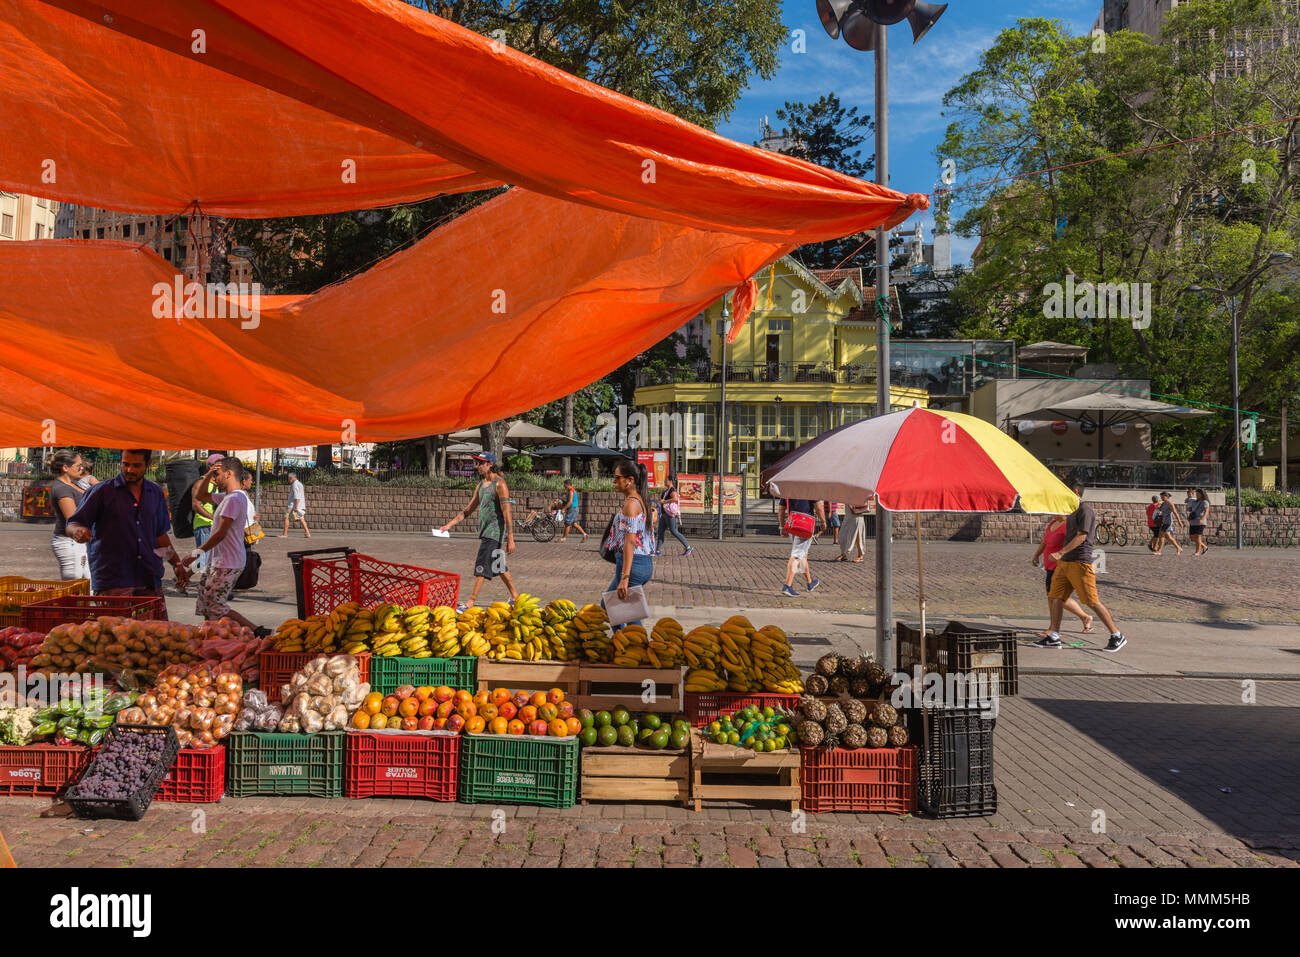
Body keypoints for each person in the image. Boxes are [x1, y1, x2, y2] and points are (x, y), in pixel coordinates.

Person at [65, 449, 188, 604]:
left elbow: (160, 535)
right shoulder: (101, 491)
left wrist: (176, 563)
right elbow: (72, 524)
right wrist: (77, 531)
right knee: (112, 628)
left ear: (148, 464)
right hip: (113, 580)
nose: (130, 470)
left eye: (136, 465)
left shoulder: (155, 493)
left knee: (153, 628)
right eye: (125, 464)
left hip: (148, 577)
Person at [1034, 484, 1127, 653]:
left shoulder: (1085, 510)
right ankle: (1054, 636)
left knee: (1091, 601)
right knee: (1055, 597)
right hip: (1065, 563)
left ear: (1075, 492)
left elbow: (1082, 536)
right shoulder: (1069, 511)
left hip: (1080, 561)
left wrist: (1060, 552)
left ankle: (1117, 635)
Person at [183, 458, 261, 630]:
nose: (214, 479)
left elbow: (220, 534)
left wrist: (196, 554)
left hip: (228, 562)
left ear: (229, 474)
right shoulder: (227, 496)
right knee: (206, 604)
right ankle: (212, 636)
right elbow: (200, 496)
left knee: (216, 607)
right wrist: (209, 473)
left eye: (217, 474)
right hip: (217, 561)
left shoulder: (234, 499)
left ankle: (257, 631)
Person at [438, 453, 518, 606]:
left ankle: (470, 602)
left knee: (482, 565)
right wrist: (449, 525)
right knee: (498, 566)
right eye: (477, 463)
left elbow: (507, 512)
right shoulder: (481, 485)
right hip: (485, 531)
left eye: (481, 463)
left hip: (494, 533)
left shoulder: (500, 485)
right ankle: (515, 595)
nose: (477, 466)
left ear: (490, 464)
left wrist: (511, 538)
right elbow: (468, 510)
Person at [601, 459, 655, 624]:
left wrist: (624, 578)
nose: (614, 481)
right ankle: (625, 644)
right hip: (642, 563)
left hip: (633, 565)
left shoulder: (631, 505)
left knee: (619, 610)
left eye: (617, 477)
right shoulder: (640, 500)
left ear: (629, 480)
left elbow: (630, 542)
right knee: (617, 608)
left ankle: (631, 646)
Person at [1031, 514, 1093, 636]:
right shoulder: (1052, 523)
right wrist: (1037, 554)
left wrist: (1061, 554)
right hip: (1049, 566)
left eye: (1055, 510)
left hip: (1060, 566)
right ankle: (1084, 617)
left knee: (1054, 598)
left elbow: (1077, 541)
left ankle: (1052, 628)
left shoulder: (1068, 526)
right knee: (1056, 597)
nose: (1051, 513)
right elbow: (1045, 541)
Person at [47, 449, 91, 580]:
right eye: (78, 466)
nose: (82, 468)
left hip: (79, 542)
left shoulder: (73, 484)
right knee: (75, 585)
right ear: (65, 468)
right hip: (68, 542)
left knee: (88, 584)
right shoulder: (62, 488)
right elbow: (73, 519)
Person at [189, 452, 226, 587]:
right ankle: (184, 578)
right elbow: (196, 505)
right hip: (204, 525)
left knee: (211, 559)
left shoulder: (220, 483)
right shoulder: (200, 483)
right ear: (211, 466)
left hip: (214, 526)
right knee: (204, 560)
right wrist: (213, 517)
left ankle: (183, 578)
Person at [777, 495, 825, 597]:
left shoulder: (788, 488)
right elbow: (818, 507)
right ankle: (787, 586)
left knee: (803, 555)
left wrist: (781, 527)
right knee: (797, 556)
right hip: (805, 524)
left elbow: (781, 509)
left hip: (793, 523)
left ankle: (809, 583)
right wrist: (823, 521)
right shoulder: (809, 488)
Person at [654, 475, 692, 557]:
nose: (664, 482)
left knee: (674, 531)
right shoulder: (667, 490)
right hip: (664, 515)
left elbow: (675, 498)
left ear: (670, 481)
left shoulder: (672, 490)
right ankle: (658, 550)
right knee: (660, 532)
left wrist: (664, 502)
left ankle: (688, 547)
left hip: (669, 515)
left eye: (666, 480)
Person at [281, 471, 311, 538]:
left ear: (291, 478)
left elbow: (297, 496)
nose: (288, 480)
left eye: (289, 478)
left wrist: (296, 507)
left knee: (286, 517)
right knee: (301, 518)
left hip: (292, 505)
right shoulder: (299, 483)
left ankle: (285, 534)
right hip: (298, 505)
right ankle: (307, 533)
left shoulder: (295, 484)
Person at [1153, 490, 1183, 556]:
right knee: (1168, 537)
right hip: (1163, 522)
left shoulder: (1170, 504)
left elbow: (1175, 513)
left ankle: (1159, 551)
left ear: (1167, 497)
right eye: (1161, 497)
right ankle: (1179, 548)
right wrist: (1158, 507)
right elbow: (1160, 511)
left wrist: (1179, 522)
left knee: (1161, 535)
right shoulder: (1163, 504)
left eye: (1163, 497)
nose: (1161, 498)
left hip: (1167, 522)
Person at [559, 478, 588, 543]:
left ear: (568, 484)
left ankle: (563, 538)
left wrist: (564, 509)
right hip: (574, 508)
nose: (564, 486)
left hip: (572, 509)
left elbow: (570, 502)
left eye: (565, 485)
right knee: (574, 524)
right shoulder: (569, 491)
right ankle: (585, 535)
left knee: (567, 523)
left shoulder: (571, 491)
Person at [1188, 488, 1210, 556]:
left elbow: (1206, 511)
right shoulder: (1195, 501)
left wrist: (1202, 519)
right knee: (1191, 537)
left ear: (1202, 494)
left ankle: (1197, 552)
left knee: (1198, 537)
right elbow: (1190, 509)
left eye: (1198, 494)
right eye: (1196, 493)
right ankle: (1204, 547)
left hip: (1200, 522)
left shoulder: (1205, 502)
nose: (1197, 495)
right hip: (1193, 521)